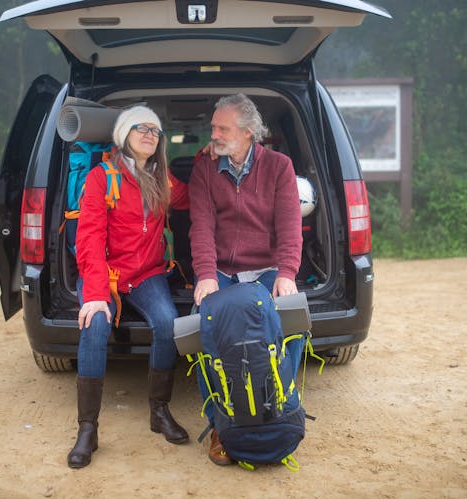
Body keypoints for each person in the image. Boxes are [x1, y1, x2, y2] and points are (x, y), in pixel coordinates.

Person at [68, 105, 190, 469]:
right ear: (123, 135)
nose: (151, 134)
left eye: (156, 130)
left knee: (167, 323)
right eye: (142, 127)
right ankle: (87, 429)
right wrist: (93, 296)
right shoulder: (101, 177)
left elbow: (197, 197)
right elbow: (88, 240)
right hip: (104, 273)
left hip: (148, 274)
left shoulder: (162, 179)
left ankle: (159, 411)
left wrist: (211, 162)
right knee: (96, 324)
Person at [188, 93, 304, 466]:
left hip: (267, 267)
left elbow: (290, 226)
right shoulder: (205, 167)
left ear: (249, 132)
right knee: (201, 324)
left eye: (223, 128)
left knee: (291, 321)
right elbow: (200, 226)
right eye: (213, 127)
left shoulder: (280, 167)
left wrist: (286, 273)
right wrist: (205, 274)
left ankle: (281, 404)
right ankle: (222, 423)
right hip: (221, 268)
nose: (214, 134)